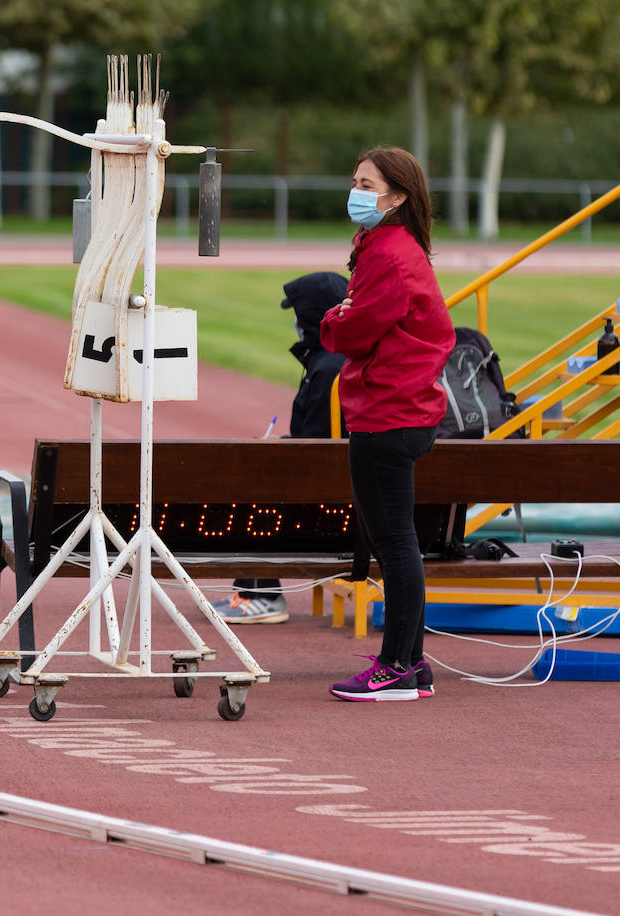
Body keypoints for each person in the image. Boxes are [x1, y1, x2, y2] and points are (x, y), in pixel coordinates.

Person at [321, 146, 454, 702]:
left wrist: (333, 318)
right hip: (398, 406)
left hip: (387, 410)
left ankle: (399, 663)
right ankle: (408, 663)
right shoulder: (391, 247)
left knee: (394, 543)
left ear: (396, 196)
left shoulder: (390, 255)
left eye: (367, 183)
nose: (356, 191)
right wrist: (344, 316)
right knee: (397, 542)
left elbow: (350, 332)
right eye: (355, 180)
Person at [218, 271, 348, 625]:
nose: (294, 320)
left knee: (255, 477)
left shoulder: (329, 368)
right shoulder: (328, 360)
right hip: (340, 481)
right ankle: (252, 589)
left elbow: (317, 446)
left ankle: (261, 593)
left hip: (331, 495)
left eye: (298, 312)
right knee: (260, 468)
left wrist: (279, 447)